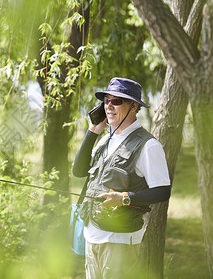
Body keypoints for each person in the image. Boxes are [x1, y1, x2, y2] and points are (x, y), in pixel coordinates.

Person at [72, 77, 171, 279]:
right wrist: (92, 133)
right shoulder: (105, 140)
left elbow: (162, 191)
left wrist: (124, 197)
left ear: (133, 106)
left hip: (120, 241)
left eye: (116, 101)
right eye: (106, 100)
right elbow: (79, 171)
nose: (109, 106)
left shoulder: (149, 146)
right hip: (92, 236)